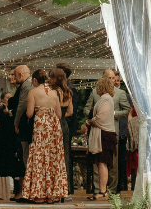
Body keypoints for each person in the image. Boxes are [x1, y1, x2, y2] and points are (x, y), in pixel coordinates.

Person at [23, 67, 70, 203]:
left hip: (40, 126)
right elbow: (60, 115)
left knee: (39, 157)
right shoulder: (54, 93)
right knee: (52, 158)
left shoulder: (33, 92)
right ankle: (52, 195)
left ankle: (40, 194)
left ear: (35, 80)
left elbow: (30, 113)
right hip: (54, 126)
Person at [84, 71, 117, 199]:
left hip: (104, 135)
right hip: (103, 134)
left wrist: (89, 122)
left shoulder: (106, 99)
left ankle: (102, 191)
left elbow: (100, 119)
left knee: (102, 163)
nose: (97, 88)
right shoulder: (105, 99)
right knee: (100, 163)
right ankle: (102, 191)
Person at [10, 63, 33, 198]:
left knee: (26, 156)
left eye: (14, 74)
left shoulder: (26, 86)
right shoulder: (26, 85)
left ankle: (26, 191)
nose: (12, 77)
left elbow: (22, 106)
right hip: (27, 126)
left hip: (26, 127)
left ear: (20, 75)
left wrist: (16, 123)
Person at [56, 62, 77, 198]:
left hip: (64, 124)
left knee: (65, 156)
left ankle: (67, 188)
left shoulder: (69, 89)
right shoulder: (64, 88)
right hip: (64, 123)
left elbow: (71, 112)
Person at [110, 71, 131, 193]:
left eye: (118, 80)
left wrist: (127, 131)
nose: (116, 82)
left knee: (121, 161)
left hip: (122, 131)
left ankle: (120, 186)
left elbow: (129, 114)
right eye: (114, 80)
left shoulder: (125, 95)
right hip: (110, 130)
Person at [126, 104, 141, 189]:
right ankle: (137, 185)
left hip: (146, 130)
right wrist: (131, 125)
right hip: (135, 132)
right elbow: (130, 114)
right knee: (136, 158)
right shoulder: (135, 102)